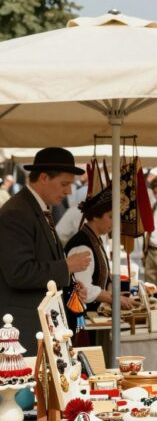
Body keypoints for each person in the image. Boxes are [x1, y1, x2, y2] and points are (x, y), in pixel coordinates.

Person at [0, 148, 91, 347]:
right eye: (64, 184)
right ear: (43, 177)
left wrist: (70, 286)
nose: (68, 192)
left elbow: (43, 262)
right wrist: (66, 266)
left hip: (42, 324)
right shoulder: (17, 212)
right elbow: (19, 272)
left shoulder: (37, 209)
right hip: (25, 328)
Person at [66, 185, 135, 317]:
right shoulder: (82, 246)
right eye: (110, 216)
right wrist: (112, 298)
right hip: (83, 317)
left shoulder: (95, 239)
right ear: (96, 216)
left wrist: (112, 295)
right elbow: (84, 289)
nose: (114, 222)